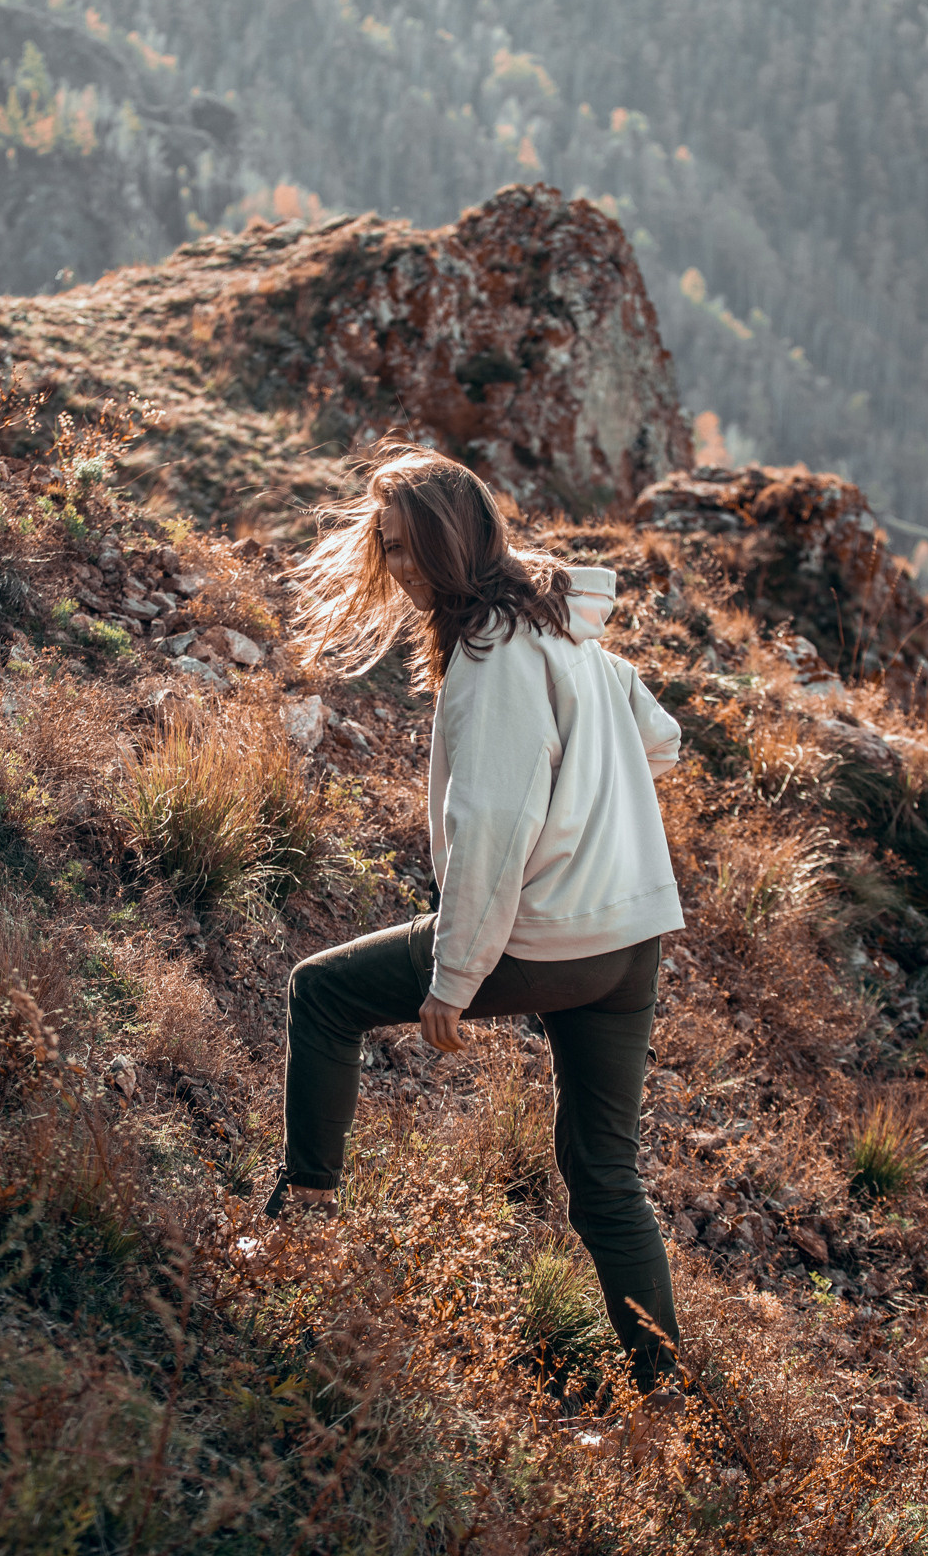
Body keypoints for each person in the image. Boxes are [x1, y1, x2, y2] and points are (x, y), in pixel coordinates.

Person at [266, 441, 688, 1394]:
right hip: (628, 942)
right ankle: (670, 1399)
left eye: (408, 548)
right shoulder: (564, 630)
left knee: (322, 994)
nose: (398, 568)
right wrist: (589, 801)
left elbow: (492, 827)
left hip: (545, 941)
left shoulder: (493, 654)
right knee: (606, 1178)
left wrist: (455, 979)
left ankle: (298, 1235)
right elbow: (659, 740)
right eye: (387, 547)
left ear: (454, 548)